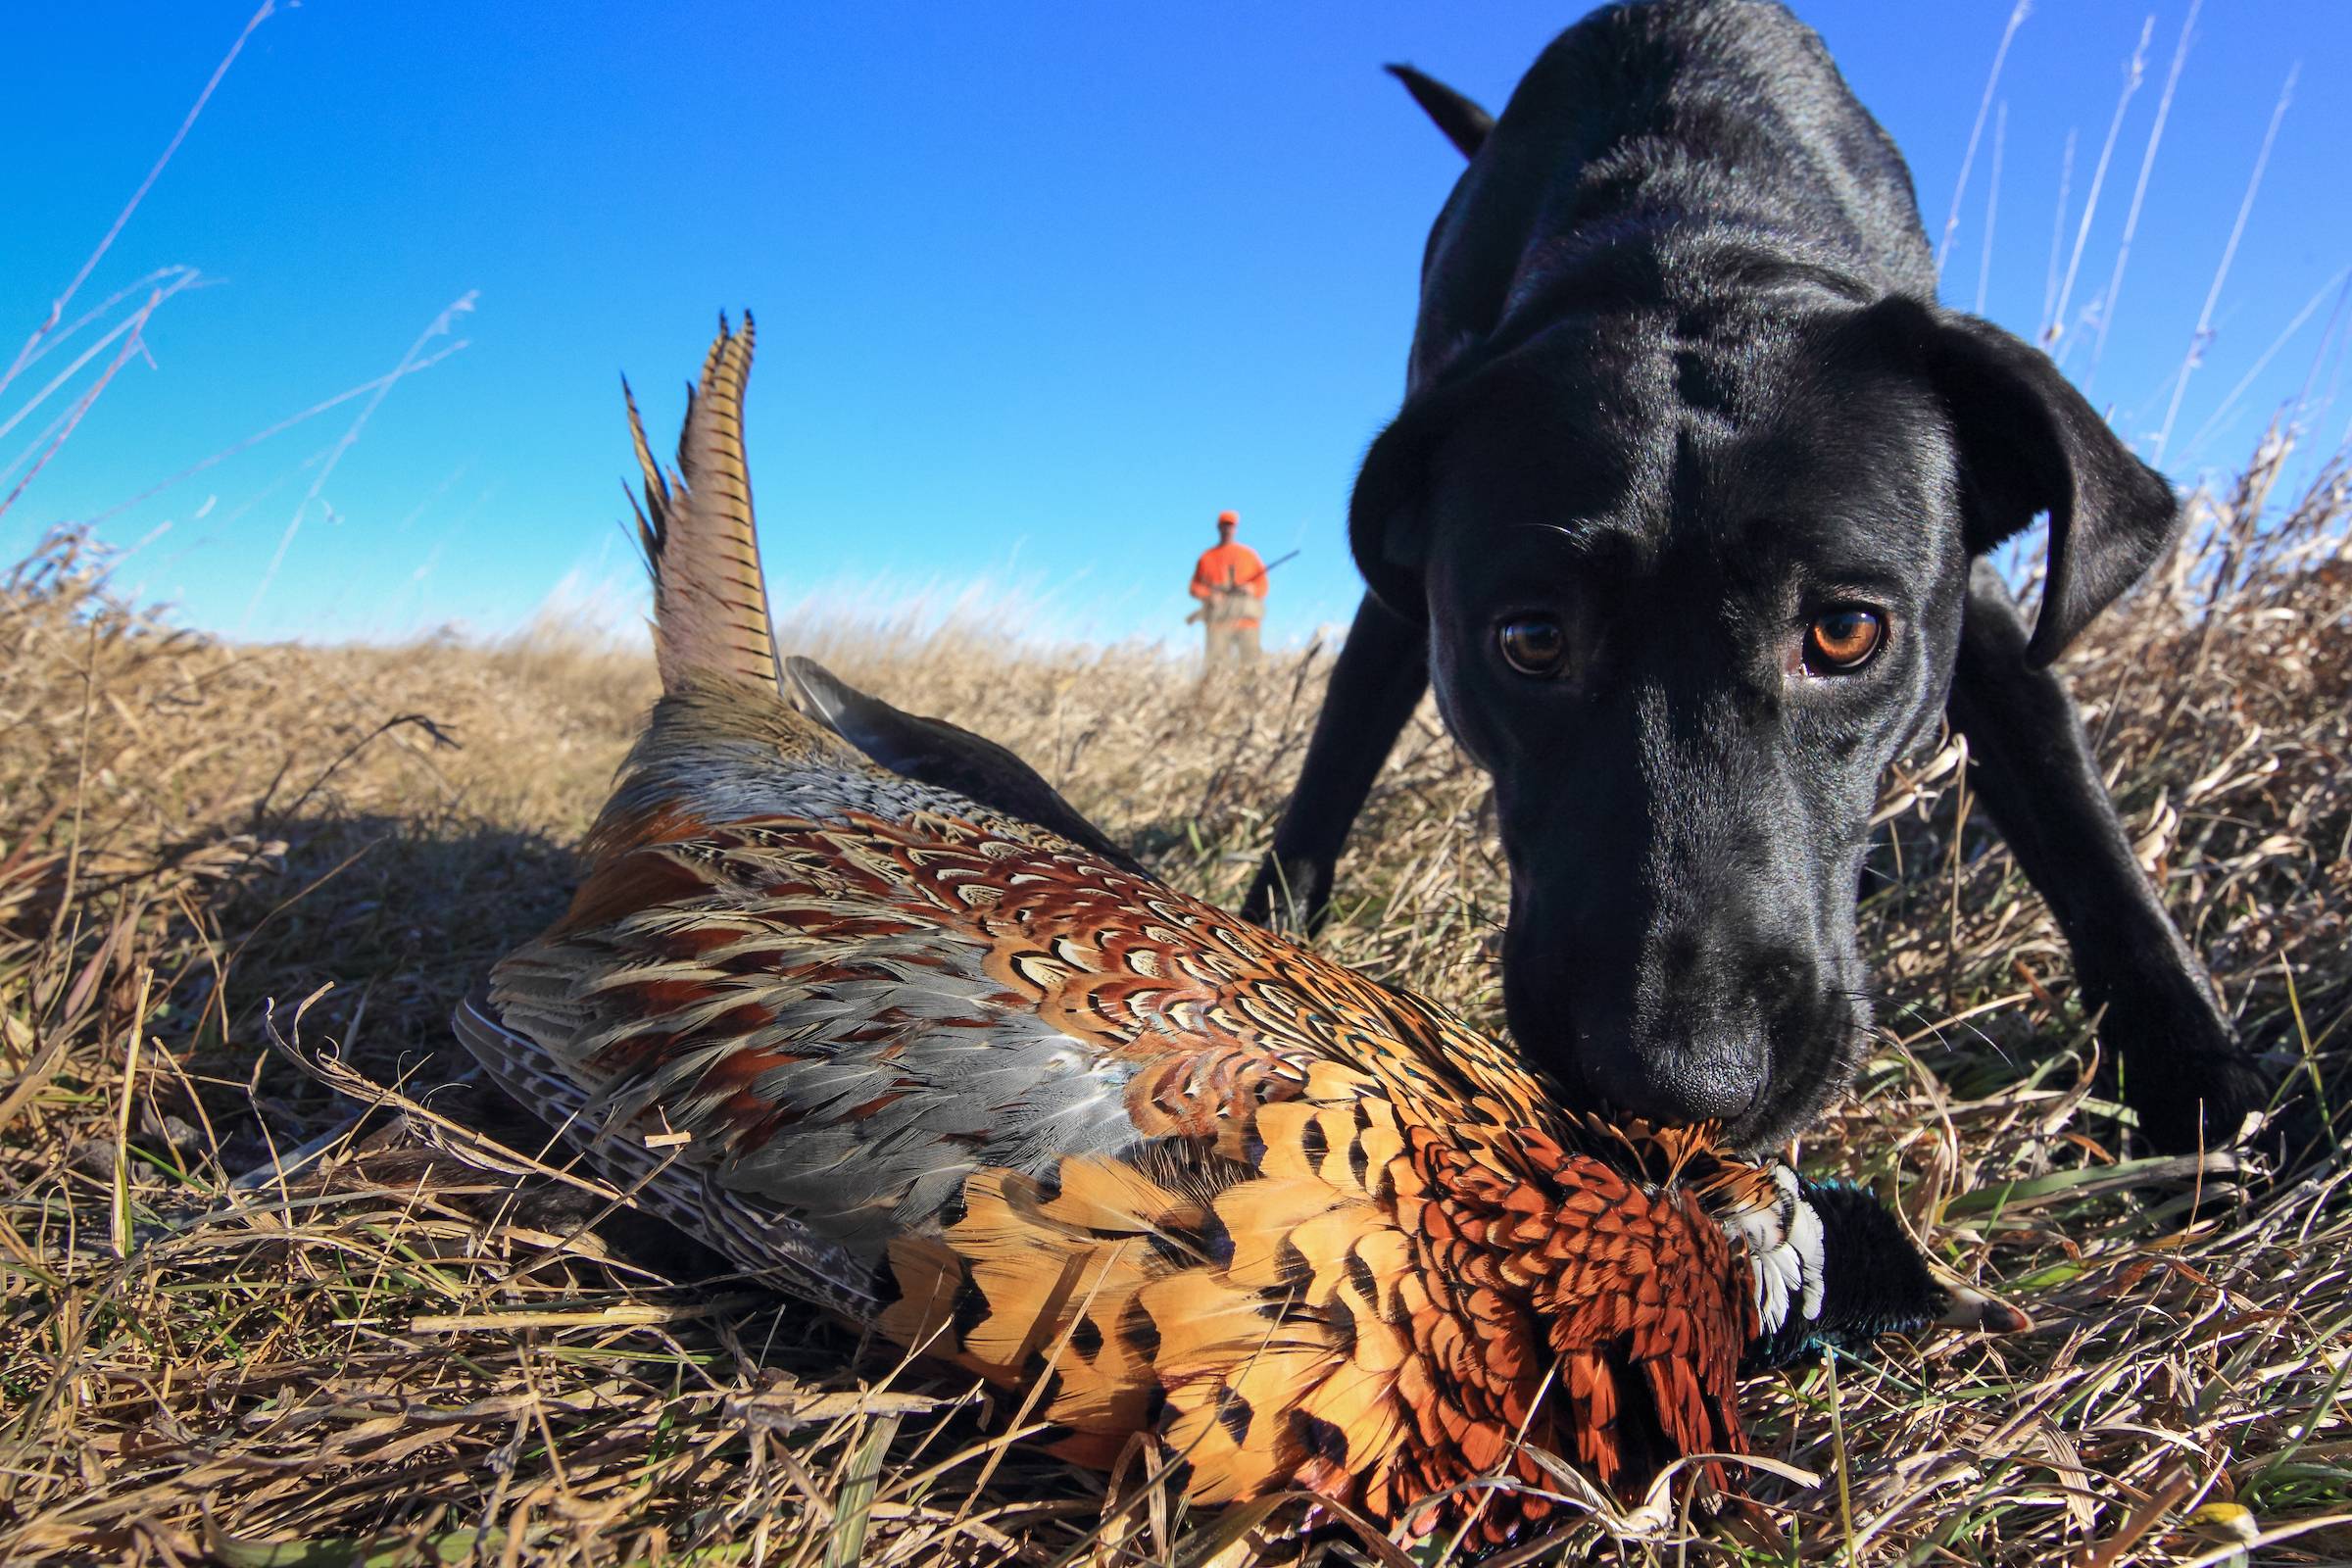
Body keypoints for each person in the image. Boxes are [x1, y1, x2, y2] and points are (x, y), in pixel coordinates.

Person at [1189, 510, 1267, 666]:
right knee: (1215, 669)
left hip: (1247, 621)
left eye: (1231, 526)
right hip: (1218, 622)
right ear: (1218, 527)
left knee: (1252, 667)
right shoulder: (1206, 557)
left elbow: (1263, 585)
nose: (1228, 529)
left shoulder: (1249, 555)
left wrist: (1251, 589)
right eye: (1224, 525)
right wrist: (1209, 595)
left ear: (1236, 528)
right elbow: (1194, 587)